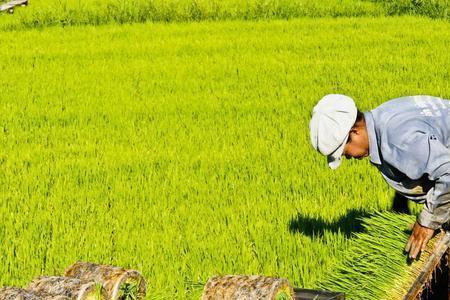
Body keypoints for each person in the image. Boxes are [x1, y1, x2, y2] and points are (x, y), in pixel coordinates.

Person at [309, 94, 450, 259]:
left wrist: (427, 222)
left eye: (344, 152)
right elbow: (418, 159)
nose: (347, 157)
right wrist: (401, 202)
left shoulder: (397, 138)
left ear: (354, 132)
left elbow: (447, 173)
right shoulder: (383, 116)